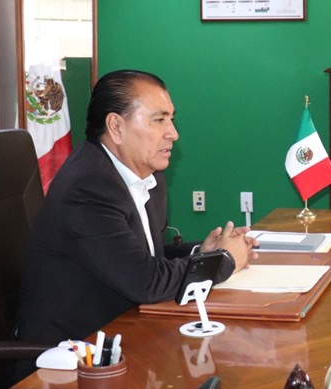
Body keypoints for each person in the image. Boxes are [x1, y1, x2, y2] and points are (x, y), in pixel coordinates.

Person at [16, 70, 256, 345]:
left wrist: (202, 253)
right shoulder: (88, 187)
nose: (173, 133)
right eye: (159, 120)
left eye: (171, 119)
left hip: (125, 330)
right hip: (72, 357)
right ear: (116, 127)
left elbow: (143, 254)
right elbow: (146, 280)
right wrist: (224, 260)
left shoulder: (146, 174)